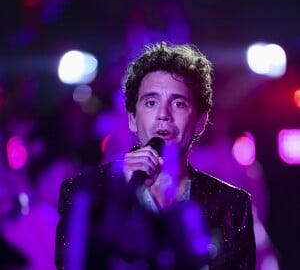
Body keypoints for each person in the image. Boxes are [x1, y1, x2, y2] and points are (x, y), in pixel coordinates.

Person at [55, 42, 256, 269]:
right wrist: (120, 190)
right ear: (132, 118)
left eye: (178, 104)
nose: (163, 115)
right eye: (151, 103)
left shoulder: (232, 204)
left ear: (200, 121)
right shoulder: (86, 193)